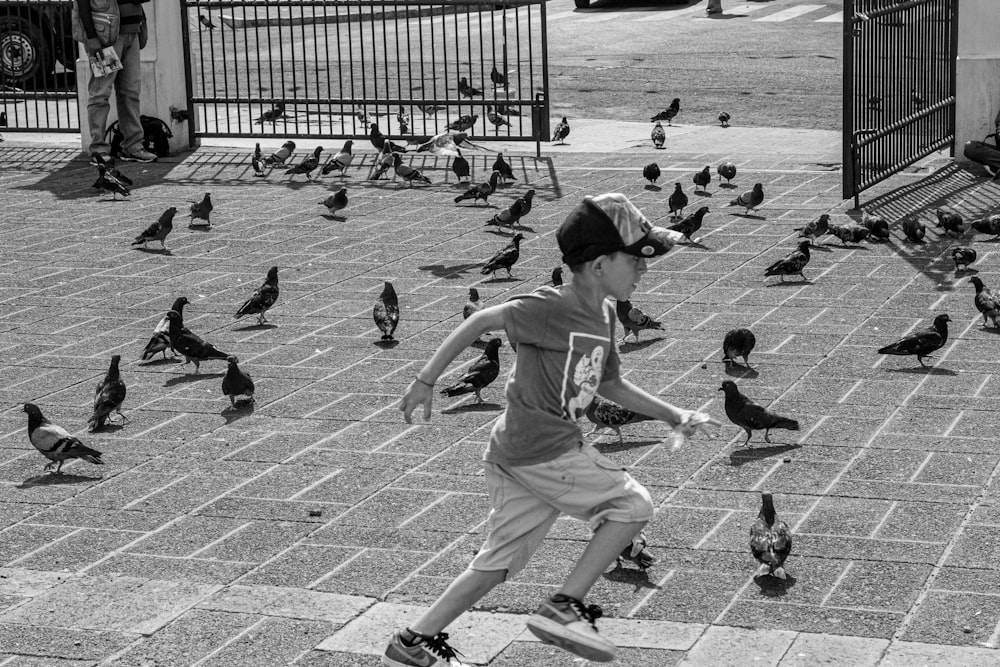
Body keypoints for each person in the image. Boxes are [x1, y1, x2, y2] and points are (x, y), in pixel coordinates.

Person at [385, 193, 719, 667]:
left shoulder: (604, 314)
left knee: (497, 564)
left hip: (515, 454)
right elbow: (483, 318)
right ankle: (564, 609)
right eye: (637, 259)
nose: (644, 269)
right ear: (600, 264)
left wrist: (673, 414)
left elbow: (610, 383)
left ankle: (411, 642)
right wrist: (425, 380)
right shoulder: (551, 308)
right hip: (544, 450)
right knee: (631, 505)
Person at [76, 0, 157, 163]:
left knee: (130, 92)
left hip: (130, 34)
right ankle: (98, 149)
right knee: (101, 93)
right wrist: (91, 36)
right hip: (105, 38)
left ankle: (133, 146)